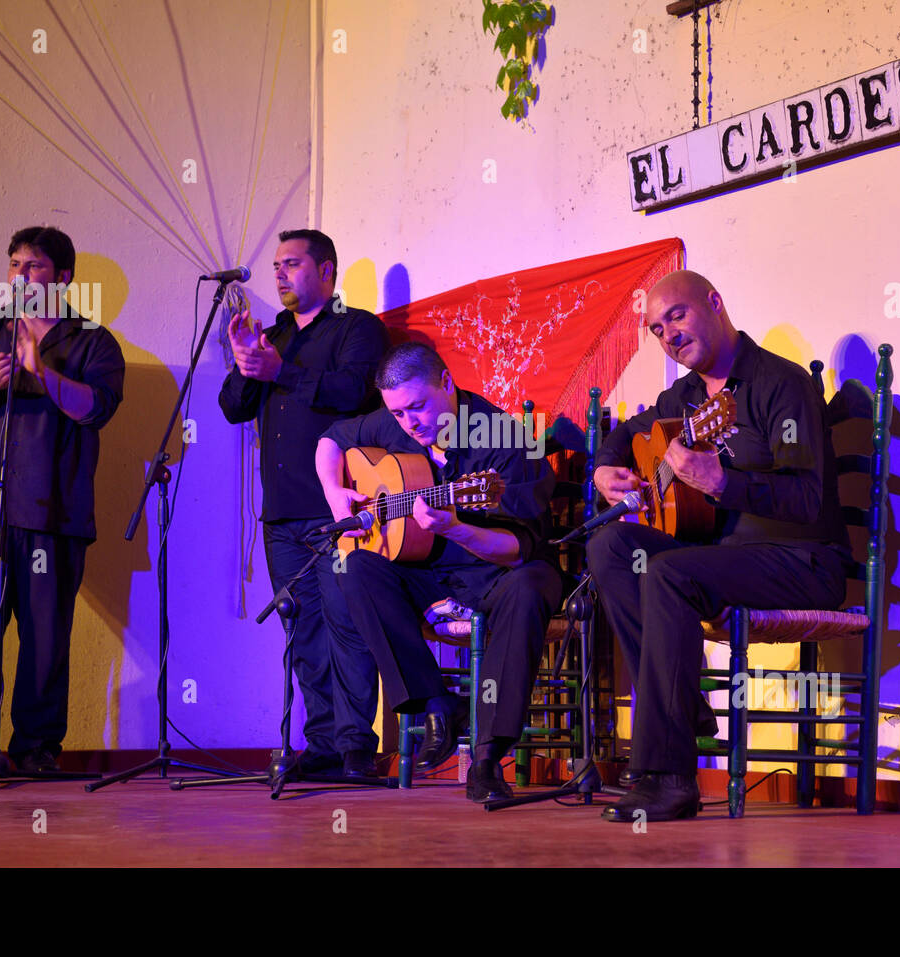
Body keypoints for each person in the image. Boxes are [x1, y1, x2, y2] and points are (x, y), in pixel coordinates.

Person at [587, 270, 850, 821]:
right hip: (723, 559)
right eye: (657, 329)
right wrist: (605, 468)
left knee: (668, 573)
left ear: (715, 303)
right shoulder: (681, 396)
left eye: (677, 317)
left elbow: (807, 500)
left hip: (800, 559)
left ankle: (667, 776)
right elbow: (625, 431)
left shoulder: (782, 383)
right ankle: (684, 707)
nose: (670, 336)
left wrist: (723, 483)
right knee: (608, 547)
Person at [315, 343, 562, 802]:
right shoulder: (394, 421)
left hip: (499, 571)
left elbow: (517, 549)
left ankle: (487, 759)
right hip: (431, 575)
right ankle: (436, 703)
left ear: (447, 383)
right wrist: (335, 492)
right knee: (354, 566)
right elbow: (331, 439)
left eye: (417, 407)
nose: (410, 423)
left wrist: (457, 528)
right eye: (399, 413)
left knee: (529, 587)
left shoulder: (506, 442)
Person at [0, 225, 125, 773]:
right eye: (14, 263)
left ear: (63, 277)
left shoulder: (93, 341)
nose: (19, 274)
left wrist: (44, 372)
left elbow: (97, 408)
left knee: (45, 634)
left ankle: (36, 750)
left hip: (52, 515)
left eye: (33, 265)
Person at [218, 229, 389, 777]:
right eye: (276, 266)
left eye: (292, 263)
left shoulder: (357, 328)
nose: (280, 274)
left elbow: (356, 391)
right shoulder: (275, 336)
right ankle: (323, 746)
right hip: (282, 513)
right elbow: (232, 407)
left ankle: (357, 746)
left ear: (327, 270)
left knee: (346, 623)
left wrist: (281, 372)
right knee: (303, 629)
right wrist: (245, 358)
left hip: (335, 507)